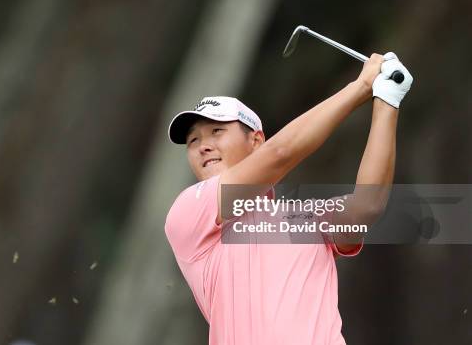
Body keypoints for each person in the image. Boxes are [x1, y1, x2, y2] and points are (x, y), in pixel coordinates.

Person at [164, 52, 413, 344]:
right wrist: (360, 87)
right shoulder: (188, 211)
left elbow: (367, 207)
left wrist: (387, 101)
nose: (203, 146)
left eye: (216, 131)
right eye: (193, 141)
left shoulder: (307, 218)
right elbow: (281, 153)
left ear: (256, 141)